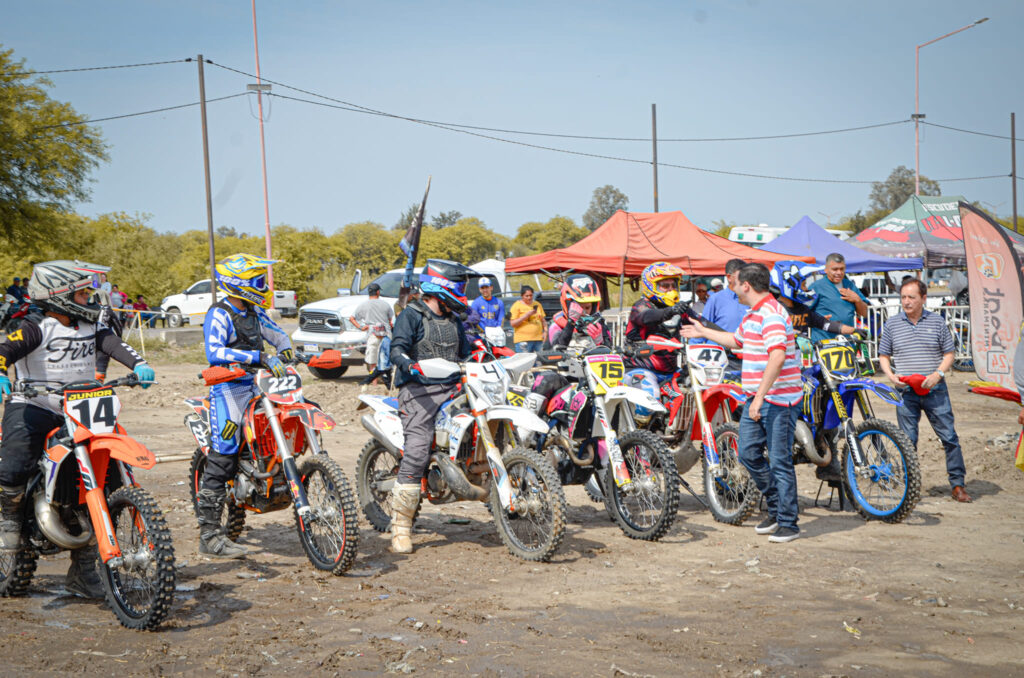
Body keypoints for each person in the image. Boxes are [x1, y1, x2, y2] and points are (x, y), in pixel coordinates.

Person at [0, 260, 155, 597]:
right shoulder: (34, 325)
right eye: (83, 292)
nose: (89, 298)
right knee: (14, 461)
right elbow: (5, 349)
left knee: (109, 478)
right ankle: (8, 519)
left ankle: (85, 570)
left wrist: (139, 364)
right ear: (59, 296)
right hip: (35, 404)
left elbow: (115, 345)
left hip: (82, 409)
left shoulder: (92, 325)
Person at [682, 263, 803, 543]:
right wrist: (703, 331)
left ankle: (788, 522)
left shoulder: (771, 314)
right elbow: (736, 341)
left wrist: (759, 397)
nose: (731, 287)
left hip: (778, 400)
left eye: (734, 283)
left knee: (780, 461)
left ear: (746, 285)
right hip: (759, 397)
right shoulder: (754, 314)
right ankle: (776, 507)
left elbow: (777, 357)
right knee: (748, 453)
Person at [198, 253, 294, 558]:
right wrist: (258, 357)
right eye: (258, 281)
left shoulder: (253, 311)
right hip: (228, 389)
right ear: (238, 284)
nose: (262, 286)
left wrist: (287, 349)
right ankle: (210, 535)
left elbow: (276, 334)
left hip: (258, 384)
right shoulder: (220, 313)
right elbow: (214, 351)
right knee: (224, 451)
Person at [388, 259, 473, 554]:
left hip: (453, 387)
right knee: (417, 451)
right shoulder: (411, 315)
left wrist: (488, 351)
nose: (463, 291)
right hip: (418, 390)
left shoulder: (453, 320)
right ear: (442, 287)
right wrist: (409, 364)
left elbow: (466, 351)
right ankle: (400, 527)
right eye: (460, 286)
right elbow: (396, 348)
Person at [877, 279, 970, 503]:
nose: (906, 302)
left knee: (949, 437)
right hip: (905, 391)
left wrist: (938, 374)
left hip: (935, 389)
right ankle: (910, 487)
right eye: (903, 297)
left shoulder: (937, 322)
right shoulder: (892, 324)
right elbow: (883, 356)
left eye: (912, 297)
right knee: (908, 441)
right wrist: (891, 376)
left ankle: (957, 485)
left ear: (923, 299)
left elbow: (949, 354)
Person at [769, 260, 858, 482]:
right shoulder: (774, 309)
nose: (807, 288)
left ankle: (826, 453)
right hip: (777, 371)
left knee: (826, 396)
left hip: (800, 367)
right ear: (789, 283)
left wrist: (855, 331)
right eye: (803, 283)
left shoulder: (803, 309)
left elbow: (827, 325)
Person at [625, 262, 695, 373]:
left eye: (674, 285)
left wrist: (722, 337)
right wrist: (671, 311)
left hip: (670, 370)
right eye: (665, 286)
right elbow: (647, 316)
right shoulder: (640, 306)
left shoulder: (677, 308)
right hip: (640, 369)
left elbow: (701, 324)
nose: (671, 289)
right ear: (651, 286)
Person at [808, 253, 868, 343]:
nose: (839, 273)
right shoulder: (816, 287)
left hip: (847, 343)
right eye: (835, 269)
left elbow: (864, 313)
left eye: (842, 269)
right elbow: (803, 314)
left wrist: (857, 300)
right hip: (824, 344)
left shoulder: (850, 285)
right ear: (826, 270)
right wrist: (816, 320)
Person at [549, 274, 612, 348]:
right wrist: (571, 324)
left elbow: (609, 350)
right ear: (568, 305)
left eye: (587, 308)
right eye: (580, 308)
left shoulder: (599, 324)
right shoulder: (557, 325)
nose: (583, 312)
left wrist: (600, 342)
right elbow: (556, 347)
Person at [350, 282, 395, 386]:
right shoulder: (385, 304)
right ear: (378, 292)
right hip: (386, 335)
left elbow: (352, 318)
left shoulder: (363, 305)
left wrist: (361, 327)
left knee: (372, 361)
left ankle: (374, 384)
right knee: (387, 360)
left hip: (372, 334)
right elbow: (390, 320)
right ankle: (389, 384)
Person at [510, 285, 545, 353]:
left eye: (531, 295)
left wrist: (546, 331)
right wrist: (526, 315)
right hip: (523, 340)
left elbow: (543, 320)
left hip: (538, 339)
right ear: (522, 296)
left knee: (539, 361)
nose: (529, 298)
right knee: (525, 360)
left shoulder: (537, 304)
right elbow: (513, 323)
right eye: (527, 296)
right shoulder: (516, 306)